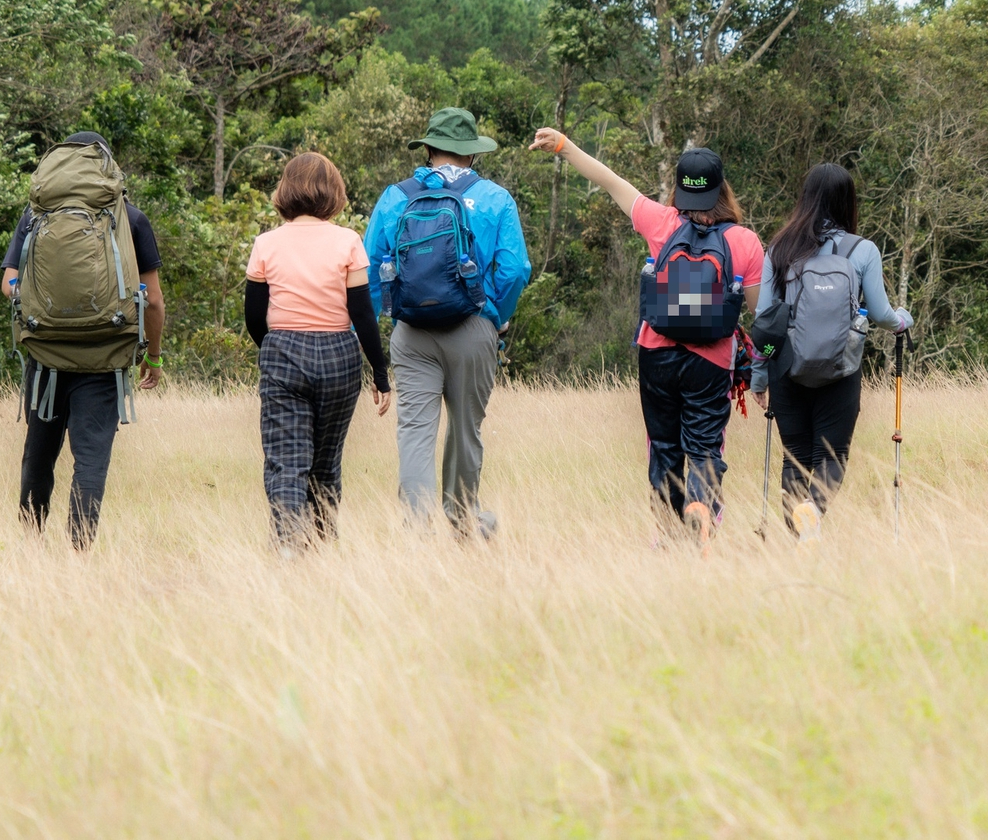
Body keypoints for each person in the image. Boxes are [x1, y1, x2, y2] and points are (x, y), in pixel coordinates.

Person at [529, 128, 763, 548]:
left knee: (663, 447)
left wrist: (564, 146)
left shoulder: (661, 222)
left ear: (679, 190)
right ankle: (700, 508)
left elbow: (608, 180)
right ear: (721, 190)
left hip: (656, 355)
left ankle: (669, 534)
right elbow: (760, 314)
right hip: (710, 361)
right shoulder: (743, 241)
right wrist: (765, 366)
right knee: (705, 446)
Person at [365, 108, 531, 538]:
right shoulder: (495, 198)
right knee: (465, 429)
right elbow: (514, 271)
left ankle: (417, 527)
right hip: (474, 326)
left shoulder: (396, 196)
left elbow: (368, 269)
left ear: (427, 150)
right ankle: (463, 521)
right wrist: (495, 315)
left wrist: (384, 320)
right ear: (472, 156)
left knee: (415, 431)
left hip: (411, 332)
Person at [0, 131, 164, 549]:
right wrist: (154, 357)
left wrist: (38, 304)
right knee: (90, 462)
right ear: (106, 168)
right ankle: (79, 553)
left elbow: (8, 283)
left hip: (47, 355)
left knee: (38, 457)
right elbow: (155, 301)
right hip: (105, 357)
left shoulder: (35, 215)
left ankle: (30, 543)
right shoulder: (132, 219)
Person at [751, 162, 912, 542]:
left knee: (796, 456)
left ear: (805, 199)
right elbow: (881, 314)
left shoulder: (779, 248)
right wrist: (902, 320)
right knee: (832, 455)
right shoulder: (863, 250)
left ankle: (799, 538)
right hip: (840, 370)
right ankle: (814, 513)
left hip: (787, 368)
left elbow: (764, 320)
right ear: (847, 202)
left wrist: (759, 375)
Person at [244, 151, 392, 548]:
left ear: (285, 190)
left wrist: (275, 350)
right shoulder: (348, 241)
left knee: (287, 463)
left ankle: (290, 549)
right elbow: (362, 313)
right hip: (339, 356)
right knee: (325, 465)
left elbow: (254, 316)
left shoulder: (266, 243)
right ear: (334, 193)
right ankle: (322, 546)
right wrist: (379, 373)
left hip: (283, 352)